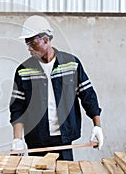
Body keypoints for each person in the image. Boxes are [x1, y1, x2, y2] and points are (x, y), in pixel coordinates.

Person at [9, 15, 103, 160]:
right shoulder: (23, 70)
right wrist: (17, 139)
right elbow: (18, 108)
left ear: (46, 40)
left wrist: (97, 126)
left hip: (64, 139)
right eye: (27, 44)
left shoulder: (71, 64)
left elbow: (88, 95)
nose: (29, 49)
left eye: (32, 43)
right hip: (36, 140)